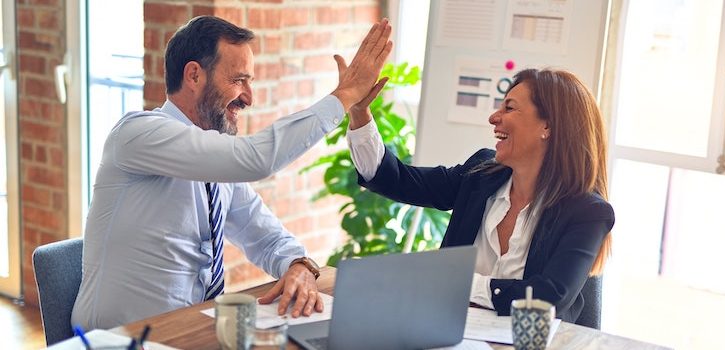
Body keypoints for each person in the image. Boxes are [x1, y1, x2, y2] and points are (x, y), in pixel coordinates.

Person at [72, 15, 392, 330]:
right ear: (194, 76)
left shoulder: (216, 165)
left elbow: (264, 235)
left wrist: (298, 265)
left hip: (190, 330)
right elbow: (256, 159)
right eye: (239, 80)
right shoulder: (138, 134)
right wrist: (345, 95)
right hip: (119, 340)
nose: (249, 97)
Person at [346, 68, 614, 323]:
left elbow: (549, 297)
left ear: (548, 126)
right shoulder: (480, 175)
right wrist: (359, 113)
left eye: (509, 108)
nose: (494, 117)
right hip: (449, 334)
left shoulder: (587, 212)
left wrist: (458, 282)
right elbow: (397, 180)